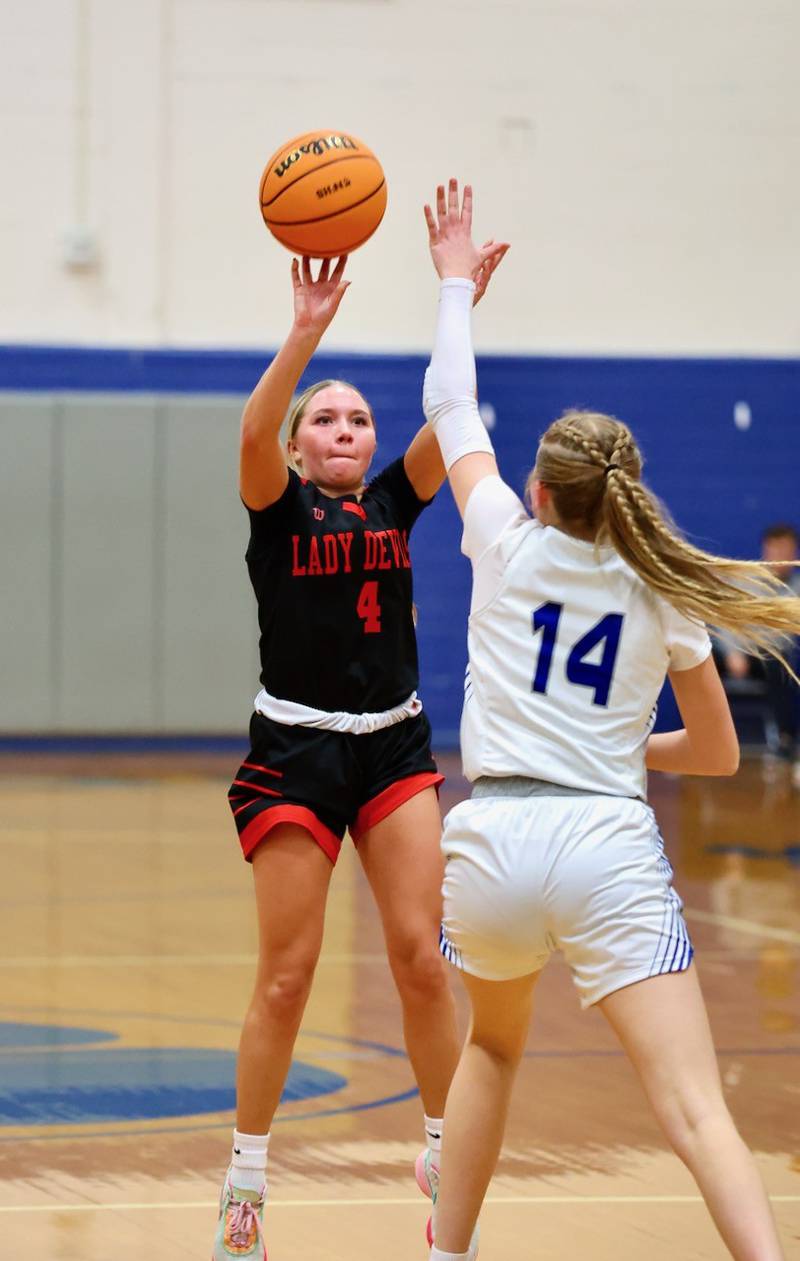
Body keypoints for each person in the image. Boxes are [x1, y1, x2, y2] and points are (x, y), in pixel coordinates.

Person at [419, 179, 799, 1261]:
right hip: (601, 842)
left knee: (489, 1055)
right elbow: (718, 755)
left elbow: (450, 407)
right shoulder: (664, 589)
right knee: (692, 1110)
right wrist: (623, 747)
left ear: (539, 489)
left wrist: (454, 284)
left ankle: (444, 1255)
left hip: (489, 842)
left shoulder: (500, 538)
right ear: (623, 493)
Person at [212, 247, 506, 1261]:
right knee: (286, 977)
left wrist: (458, 301)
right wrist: (304, 334)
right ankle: (246, 1177)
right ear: (299, 449)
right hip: (294, 750)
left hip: (393, 748)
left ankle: (439, 1149)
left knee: (422, 958)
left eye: (357, 419)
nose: (345, 430)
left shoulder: (392, 500)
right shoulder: (274, 504)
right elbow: (253, 427)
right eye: (325, 420)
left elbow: (454, 422)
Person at [716, 524, 800, 783]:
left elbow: (786, 635)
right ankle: (700, 737)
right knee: (699, 658)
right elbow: (723, 619)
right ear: (766, 549)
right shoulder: (746, 580)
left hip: (770, 657)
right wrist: (732, 652)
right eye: (775, 547)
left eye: (785, 547)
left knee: (781, 662)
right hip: (736, 652)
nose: (780, 553)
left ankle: (786, 741)